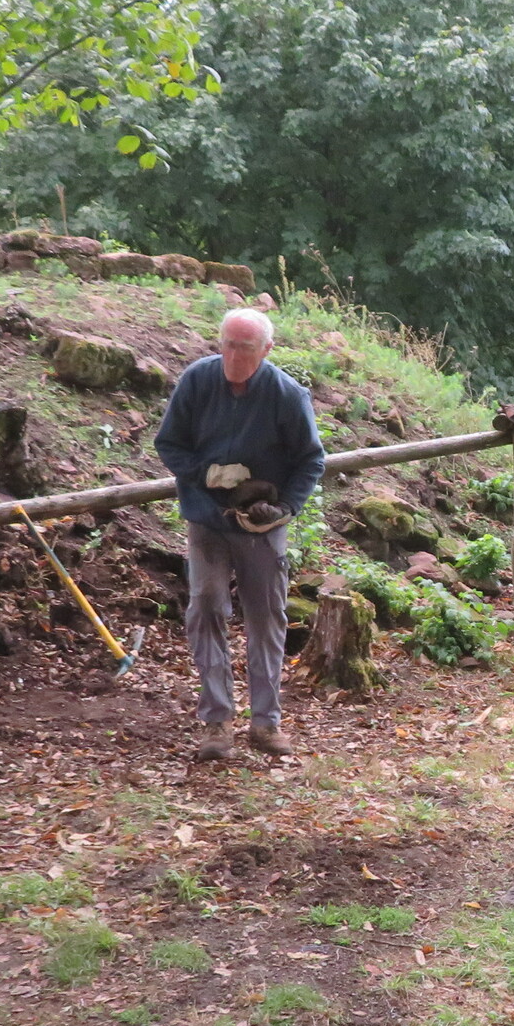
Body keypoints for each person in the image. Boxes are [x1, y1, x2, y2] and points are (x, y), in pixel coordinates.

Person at [154, 305, 325, 760]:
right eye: (227, 344)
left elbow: (311, 459)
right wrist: (206, 474)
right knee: (207, 605)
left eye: (245, 348)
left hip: (261, 525)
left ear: (266, 349)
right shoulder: (197, 380)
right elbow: (168, 443)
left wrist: (285, 508)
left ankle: (266, 723)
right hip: (207, 518)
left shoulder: (286, 394)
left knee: (266, 616)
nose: (233, 356)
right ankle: (216, 721)